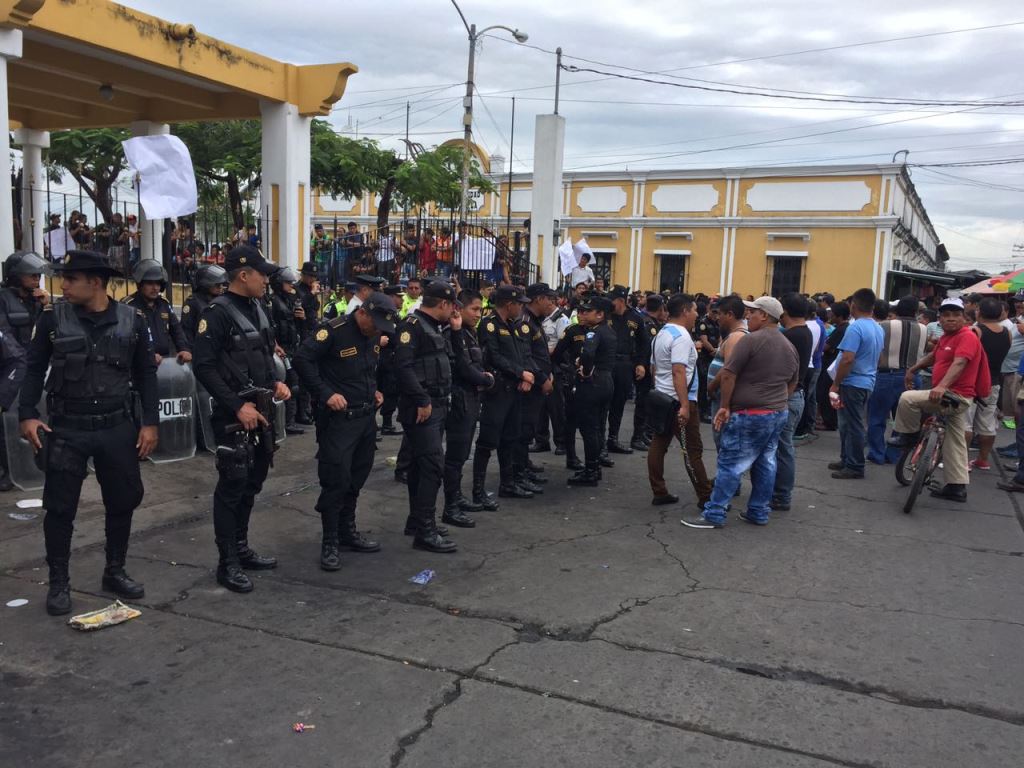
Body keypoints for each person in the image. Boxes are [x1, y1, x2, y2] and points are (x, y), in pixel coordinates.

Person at [18, 250, 158, 615]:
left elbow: (146, 375)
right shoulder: (52, 318)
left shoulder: (134, 320)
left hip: (116, 426)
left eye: (70, 279)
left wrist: (150, 423)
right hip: (67, 428)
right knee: (60, 508)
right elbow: (33, 369)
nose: (61, 286)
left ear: (94, 282)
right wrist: (28, 415)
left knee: (122, 501)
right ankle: (59, 583)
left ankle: (115, 570)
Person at [192, 245, 291, 593]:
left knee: (253, 482)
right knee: (232, 486)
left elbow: (262, 354)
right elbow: (203, 366)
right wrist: (236, 406)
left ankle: (242, 547)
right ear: (244, 275)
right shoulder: (216, 313)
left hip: (262, 410)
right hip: (235, 415)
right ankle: (227, 562)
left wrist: (276, 382)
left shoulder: (258, 308)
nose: (267, 279)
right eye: (262, 274)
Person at [294, 292, 394, 570]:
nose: (377, 331)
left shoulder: (373, 334)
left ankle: (348, 531)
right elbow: (302, 360)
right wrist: (325, 393)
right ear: (363, 312)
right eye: (374, 324)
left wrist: (374, 391)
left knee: (357, 478)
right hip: (338, 421)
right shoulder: (333, 331)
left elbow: (364, 370)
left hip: (365, 419)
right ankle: (330, 541)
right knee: (335, 481)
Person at [683, 296, 799, 529]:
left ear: (765, 316)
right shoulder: (788, 345)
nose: (749, 316)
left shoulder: (751, 341)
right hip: (776, 412)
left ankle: (714, 513)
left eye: (753, 313)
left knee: (730, 463)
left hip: (750, 413)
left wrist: (725, 406)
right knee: (766, 462)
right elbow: (793, 381)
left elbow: (729, 374)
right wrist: (777, 402)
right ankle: (758, 511)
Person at [889, 298, 987, 503]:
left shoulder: (966, 337)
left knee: (907, 398)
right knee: (955, 442)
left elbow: (960, 363)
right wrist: (913, 369)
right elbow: (934, 357)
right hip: (952, 396)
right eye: (946, 316)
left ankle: (907, 435)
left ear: (964, 318)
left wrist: (942, 386)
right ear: (939, 319)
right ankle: (957, 487)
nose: (950, 319)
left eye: (956, 315)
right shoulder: (946, 338)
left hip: (954, 396)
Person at [394, 280, 460, 552]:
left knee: (422, 466)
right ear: (443, 304)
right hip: (422, 407)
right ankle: (426, 530)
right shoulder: (412, 326)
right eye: (451, 307)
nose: (453, 311)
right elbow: (403, 366)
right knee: (433, 466)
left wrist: (455, 331)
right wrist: (421, 399)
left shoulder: (435, 327)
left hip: (436, 404)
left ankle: (417, 520)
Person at [646, 293, 712, 506]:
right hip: (679, 400)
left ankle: (659, 490)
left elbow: (653, 368)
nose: (695, 315)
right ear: (684, 311)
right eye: (693, 310)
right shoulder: (681, 336)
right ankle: (706, 497)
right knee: (693, 450)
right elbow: (678, 372)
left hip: (663, 398)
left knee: (659, 443)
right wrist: (684, 405)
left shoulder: (661, 333)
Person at [475, 285, 535, 501]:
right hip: (498, 390)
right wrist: (521, 373)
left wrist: (525, 376)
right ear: (509, 304)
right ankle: (478, 490)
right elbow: (493, 356)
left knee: (510, 438)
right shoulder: (489, 325)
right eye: (519, 303)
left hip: (515, 390)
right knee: (488, 440)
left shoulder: (514, 325)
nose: (521, 308)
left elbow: (522, 353)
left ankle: (507, 484)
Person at [442, 289, 495, 524]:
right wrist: (484, 379)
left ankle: (457, 497)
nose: (478, 314)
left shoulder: (469, 333)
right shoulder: (452, 333)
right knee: (455, 454)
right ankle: (450, 506)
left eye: (480, 310)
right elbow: (461, 367)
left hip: (472, 397)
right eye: (474, 309)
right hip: (459, 398)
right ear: (459, 308)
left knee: (462, 453)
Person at [828, 288, 884, 479]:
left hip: (853, 382)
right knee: (847, 424)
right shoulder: (877, 327)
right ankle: (847, 459)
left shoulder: (856, 327)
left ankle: (855, 465)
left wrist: (836, 383)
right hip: (867, 380)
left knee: (853, 425)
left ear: (853, 305)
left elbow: (847, 359)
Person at [865, 296, 927, 465]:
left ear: (897, 309)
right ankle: (892, 454)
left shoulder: (883, 326)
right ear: (916, 312)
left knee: (877, 418)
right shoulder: (924, 329)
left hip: (886, 375)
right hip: (913, 377)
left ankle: (877, 454)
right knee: (903, 420)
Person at [566, 294, 617, 486]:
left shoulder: (593, 332)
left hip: (593, 383)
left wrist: (585, 370)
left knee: (589, 429)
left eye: (588, 311)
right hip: (606, 381)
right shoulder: (609, 331)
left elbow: (587, 353)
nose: (583, 314)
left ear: (600, 314)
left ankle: (590, 470)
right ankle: (594, 468)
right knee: (596, 427)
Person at [770, 293, 814, 512]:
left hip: (788, 395)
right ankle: (778, 492)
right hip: (795, 394)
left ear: (784, 311)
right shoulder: (804, 332)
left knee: (782, 448)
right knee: (783, 447)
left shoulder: (791, 335)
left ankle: (781, 495)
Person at [515, 283, 555, 491]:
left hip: (538, 382)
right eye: (549, 299)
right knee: (524, 429)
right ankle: (518, 472)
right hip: (530, 384)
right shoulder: (525, 322)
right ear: (539, 299)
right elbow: (526, 357)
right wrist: (542, 378)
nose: (551, 303)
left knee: (529, 427)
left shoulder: (535, 321)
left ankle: (523, 465)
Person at [964, 298, 1010, 471]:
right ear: (1000, 314)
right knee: (988, 424)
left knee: (965, 423)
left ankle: (962, 461)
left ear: (979, 312)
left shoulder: (975, 331)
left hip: (972, 383)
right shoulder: (1007, 332)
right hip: (994, 382)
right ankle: (982, 460)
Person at [124, 260, 191, 365]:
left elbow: (177, 330)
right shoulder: (128, 306)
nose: (155, 288)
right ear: (140, 284)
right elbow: (124, 341)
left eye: (158, 283)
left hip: (165, 364)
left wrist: (184, 349)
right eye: (150, 283)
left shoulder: (164, 304)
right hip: (139, 365)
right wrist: (147, 355)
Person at [605, 285, 646, 455]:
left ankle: (612, 438)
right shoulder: (605, 315)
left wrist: (641, 363)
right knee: (602, 403)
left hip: (625, 364)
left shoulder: (636, 318)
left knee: (619, 403)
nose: (609, 303)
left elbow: (643, 343)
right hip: (606, 363)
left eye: (612, 300)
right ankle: (599, 442)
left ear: (621, 301)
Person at [268, 267, 308, 436]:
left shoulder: (291, 300)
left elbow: (297, 326)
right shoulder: (272, 301)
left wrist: (302, 318)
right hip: (281, 348)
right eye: (287, 282)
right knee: (289, 383)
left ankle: (291, 420)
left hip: (292, 346)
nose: (291, 285)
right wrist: (275, 345)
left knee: (296, 383)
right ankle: (286, 422)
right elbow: (270, 326)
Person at [630, 294, 662, 450]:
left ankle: (641, 434)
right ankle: (637, 437)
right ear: (661, 308)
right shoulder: (648, 323)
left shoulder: (645, 319)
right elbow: (649, 348)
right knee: (642, 403)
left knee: (645, 403)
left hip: (643, 366)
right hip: (644, 367)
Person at [817, 301, 850, 431]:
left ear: (839, 315)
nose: (830, 315)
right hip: (831, 364)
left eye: (832, 313)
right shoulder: (842, 328)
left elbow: (827, 347)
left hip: (830, 365)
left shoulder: (841, 329)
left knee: (825, 393)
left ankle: (829, 422)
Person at [181, 264, 228, 346]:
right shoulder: (192, 303)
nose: (221, 287)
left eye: (221, 284)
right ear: (205, 284)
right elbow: (187, 331)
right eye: (217, 285)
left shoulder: (220, 300)